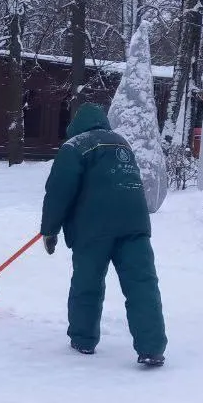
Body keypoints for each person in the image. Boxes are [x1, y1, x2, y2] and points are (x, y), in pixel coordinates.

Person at [39, 103, 167, 367]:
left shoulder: (75, 146)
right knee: (142, 284)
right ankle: (151, 347)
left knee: (88, 283)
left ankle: (83, 339)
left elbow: (59, 191)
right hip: (134, 225)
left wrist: (49, 229)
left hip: (93, 228)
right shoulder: (121, 143)